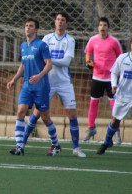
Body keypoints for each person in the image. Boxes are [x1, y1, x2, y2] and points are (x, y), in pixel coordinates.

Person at [28, 12, 85, 157]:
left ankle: (76, 148)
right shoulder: (47, 38)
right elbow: (41, 58)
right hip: (47, 82)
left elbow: (66, 62)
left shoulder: (70, 40)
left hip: (64, 82)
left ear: (67, 24)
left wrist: (50, 61)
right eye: (58, 19)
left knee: (71, 112)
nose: (60, 22)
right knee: (38, 112)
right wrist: (48, 62)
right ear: (54, 22)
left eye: (63, 20)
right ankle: (21, 143)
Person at [7, 18, 60, 156]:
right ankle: (19, 146)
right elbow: (23, 65)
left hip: (41, 87)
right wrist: (14, 79)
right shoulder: (23, 46)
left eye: (31, 26)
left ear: (36, 30)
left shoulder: (42, 45)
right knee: (20, 111)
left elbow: (49, 64)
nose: (27, 28)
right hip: (27, 86)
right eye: (26, 26)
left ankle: (56, 144)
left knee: (45, 117)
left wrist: (39, 76)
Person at [83, 17, 122, 143]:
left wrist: (118, 73)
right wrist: (88, 62)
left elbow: (120, 57)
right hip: (97, 77)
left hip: (111, 78)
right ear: (98, 27)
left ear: (108, 28)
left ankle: (116, 131)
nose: (102, 27)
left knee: (114, 105)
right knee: (93, 103)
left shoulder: (114, 42)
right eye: (100, 25)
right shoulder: (93, 40)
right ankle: (90, 129)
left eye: (105, 25)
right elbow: (88, 53)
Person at [97, 36, 132, 155]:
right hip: (122, 95)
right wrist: (114, 85)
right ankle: (107, 142)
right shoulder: (123, 58)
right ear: (131, 44)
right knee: (115, 121)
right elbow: (114, 72)